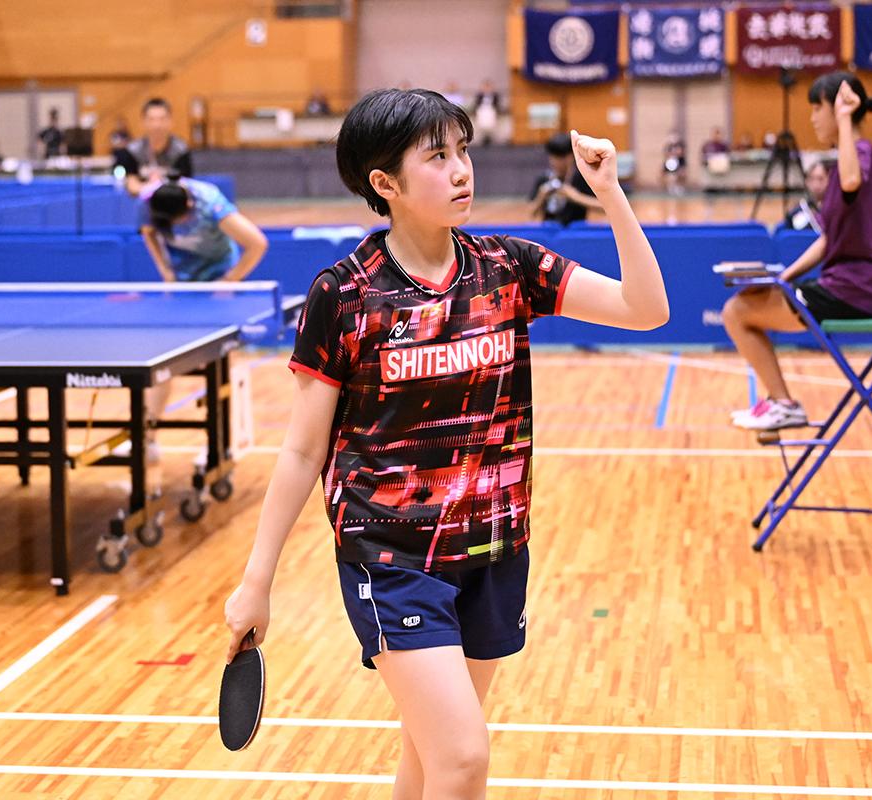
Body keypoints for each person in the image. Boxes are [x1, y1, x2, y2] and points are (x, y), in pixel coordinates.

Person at [222, 88, 668, 798]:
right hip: (392, 556)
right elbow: (304, 451)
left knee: (429, 761)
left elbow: (646, 309)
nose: (461, 170)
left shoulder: (508, 268)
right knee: (461, 758)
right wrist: (257, 582)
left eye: (463, 151)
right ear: (385, 183)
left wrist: (610, 193)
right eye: (437, 157)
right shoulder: (345, 295)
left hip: (493, 548)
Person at [722, 71, 872, 432]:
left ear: (841, 109)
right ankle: (780, 403)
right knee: (742, 306)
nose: (812, 117)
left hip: (856, 289)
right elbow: (829, 239)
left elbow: (851, 180)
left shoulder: (859, 155)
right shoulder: (844, 162)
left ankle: (784, 405)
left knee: (736, 312)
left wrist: (844, 119)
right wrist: (783, 278)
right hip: (844, 285)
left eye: (818, 108)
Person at [137, 175, 269, 460]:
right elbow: (148, 232)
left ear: (189, 204)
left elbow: (257, 243)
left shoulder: (211, 204)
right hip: (182, 290)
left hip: (216, 289)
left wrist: (230, 281)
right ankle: (147, 439)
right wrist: (165, 271)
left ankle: (217, 444)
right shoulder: (149, 200)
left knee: (216, 367)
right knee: (161, 364)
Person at [115, 97, 193, 196]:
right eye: (151, 119)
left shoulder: (181, 151)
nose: (157, 125)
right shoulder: (132, 151)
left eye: (162, 119)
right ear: (143, 122)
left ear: (170, 121)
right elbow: (132, 185)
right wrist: (152, 186)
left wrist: (158, 184)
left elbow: (185, 185)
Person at [530, 132, 599, 226]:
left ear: (571, 157)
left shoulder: (581, 178)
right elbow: (530, 213)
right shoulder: (544, 179)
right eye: (552, 157)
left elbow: (603, 206)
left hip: (574, 231)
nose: (555, 162)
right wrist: (541, 197)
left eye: (560, 158)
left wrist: (576, 197)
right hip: (550, 230)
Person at [780, 159, 828, 233]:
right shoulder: (796, 212)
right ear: (806, 182)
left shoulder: (836, 211)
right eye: (812, 179)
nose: (816, 184)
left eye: (820, 179)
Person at [472, 79, 500, 146]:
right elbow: (476, 105)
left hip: (491, 111)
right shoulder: (479, 95)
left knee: (491, 126)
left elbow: (497, 105)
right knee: (480, 125)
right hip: (481, 112)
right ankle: (480, 140)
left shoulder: (495, 95)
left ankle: (491, 139)